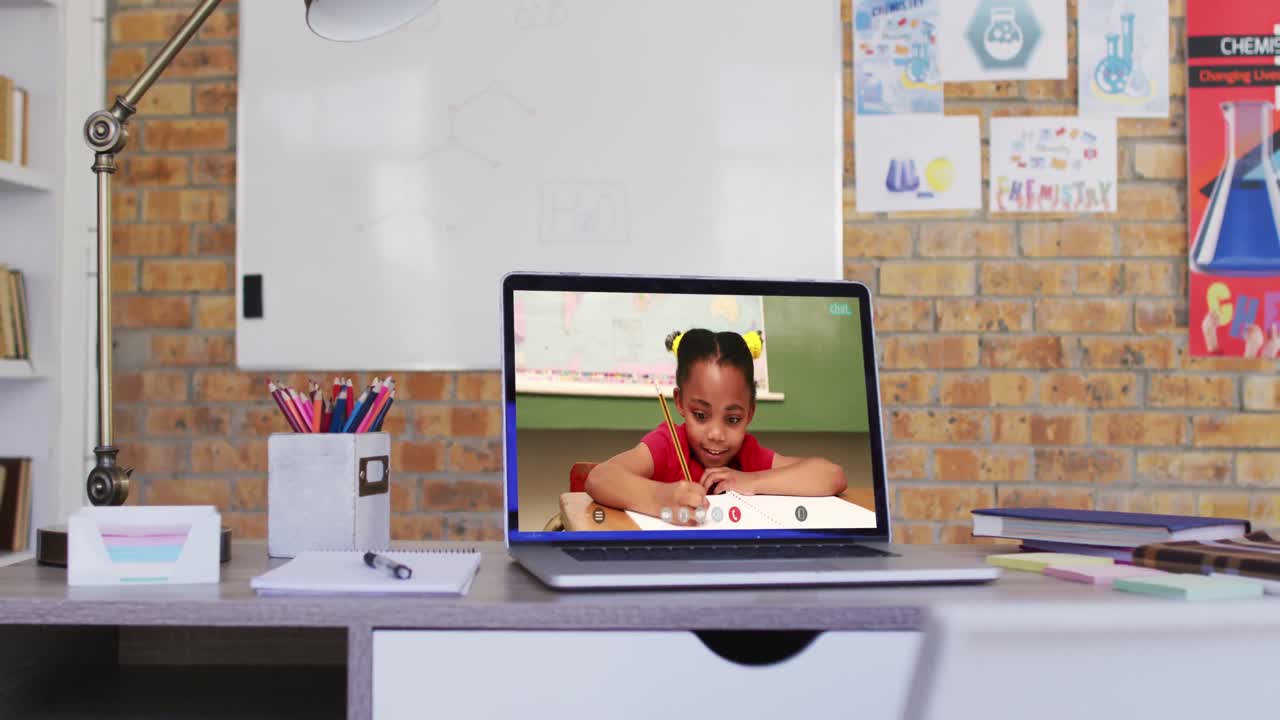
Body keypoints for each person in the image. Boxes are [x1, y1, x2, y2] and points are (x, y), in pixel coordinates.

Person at [585, 328, 847, 526]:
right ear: (680, 403)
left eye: (732, 419)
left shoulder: (747, 454)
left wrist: (752, 480)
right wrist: (660, 498)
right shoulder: (667, 444)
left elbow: (831, 475)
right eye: (700, 415)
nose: (716, 434)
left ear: (750, 413)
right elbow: (599, 478)